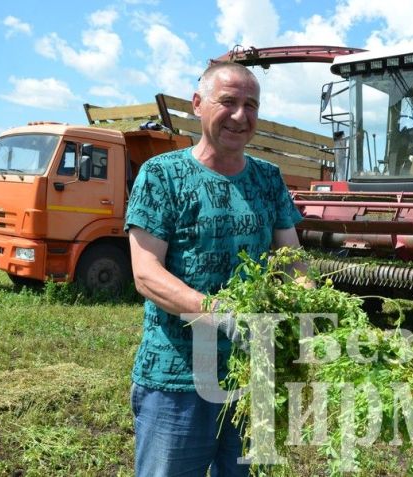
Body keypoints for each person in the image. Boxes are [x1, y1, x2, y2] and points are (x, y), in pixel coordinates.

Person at [125, 62, 304, 476]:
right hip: (178, 381)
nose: (241, 116)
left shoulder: (267, 178)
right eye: (228, 102)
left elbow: (293, 260)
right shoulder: (162, 175)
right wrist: (219, 312)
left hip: (251, 377)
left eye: (251, 105)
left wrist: (304, 304)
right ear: (197, 104)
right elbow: (146, 273)